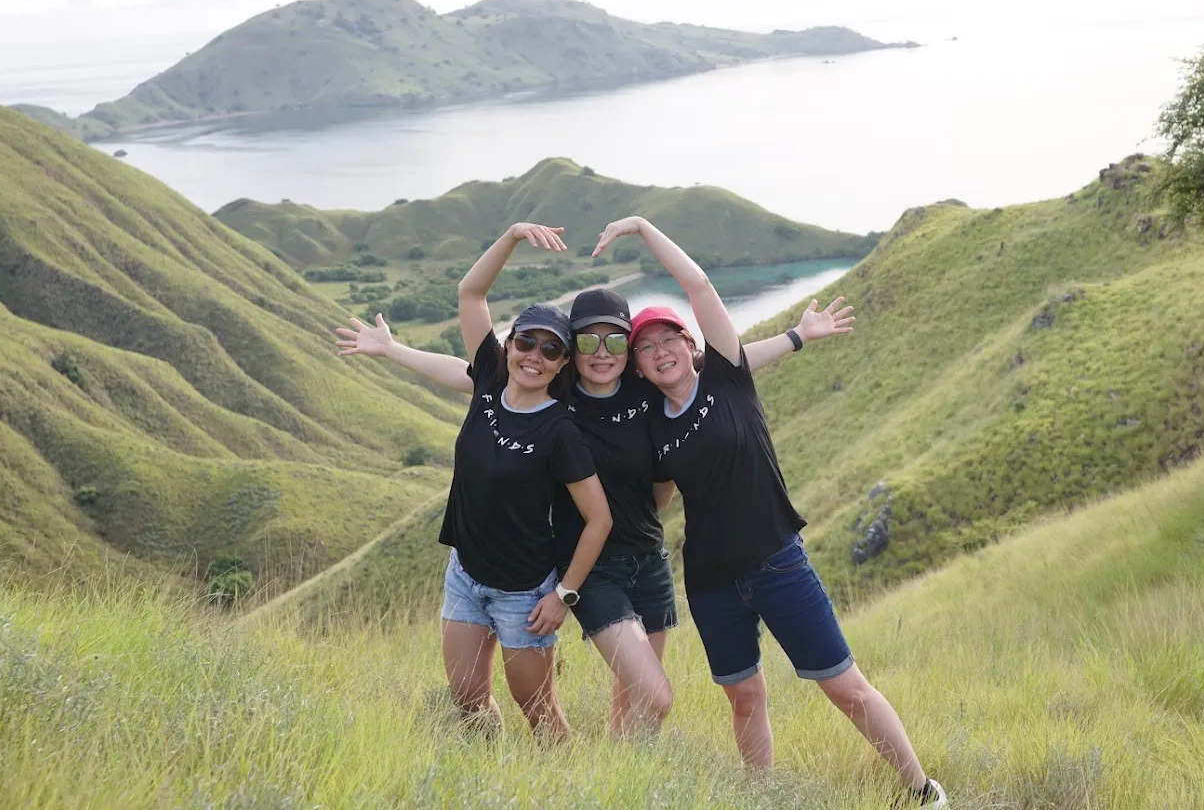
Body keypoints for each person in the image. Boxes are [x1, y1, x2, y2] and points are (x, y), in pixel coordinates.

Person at [594, 215, 949, 807]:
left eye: (669, 340)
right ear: (638, 368)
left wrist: (642, 227)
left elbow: (700, 287)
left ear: (692, 347)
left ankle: (923, 790)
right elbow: (654, 497)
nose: (659, 352)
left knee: (845, 688)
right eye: (645, 349)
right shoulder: (652, 426)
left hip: (777, 562)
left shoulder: (727, 379)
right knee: (744, 696)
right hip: (709, 580)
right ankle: (761, 798)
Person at [337, 222, 612, 741]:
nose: (534, 355)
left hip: (524, 592)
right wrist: (510, 236)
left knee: (540, 712)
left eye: (550, 350)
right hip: (466, 574)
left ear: (562, 366)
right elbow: (471, 292)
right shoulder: (488, 382)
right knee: (467, 700)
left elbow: (599, 519)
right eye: (525, 342)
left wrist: (565, 595)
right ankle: (494, 778)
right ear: (508, 347)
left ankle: (568, 784)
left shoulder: (562, 431)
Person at [556, 285, 856, 738]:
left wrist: (797, 336)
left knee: (630, 691)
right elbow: (498, 379)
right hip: (602, 566)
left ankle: (619, 768)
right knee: (652, 692)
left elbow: (724, 366)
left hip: (650, 558)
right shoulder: (578, 394)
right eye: (589, 342)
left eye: (616, 342)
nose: (604, 353)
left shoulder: (646, 387)